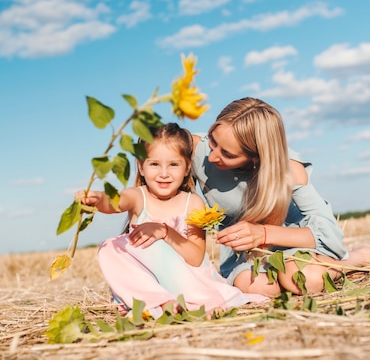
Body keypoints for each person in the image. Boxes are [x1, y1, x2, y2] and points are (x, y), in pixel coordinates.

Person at [191, 97, 370, 297]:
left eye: (228, 154)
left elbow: (329, 233)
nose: (212, 157)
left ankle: (361, 257)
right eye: (213, 140)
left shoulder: (289, 169)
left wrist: (262, 233)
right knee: (260, 288)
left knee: (302, 281)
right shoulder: (192, 149)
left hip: (292, 241)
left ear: (256, 158)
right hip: (245, 255)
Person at [76, 123, 267, 318]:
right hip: (150, 283)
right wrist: (98, 199)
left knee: (154, 246)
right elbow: (115, 202)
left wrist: (165, 232)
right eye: (154, 164)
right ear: (141, 167)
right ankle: (161, 301)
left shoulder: (192, 203)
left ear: (186, 169)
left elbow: (195, 258)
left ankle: (183, 303)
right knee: (110, 247)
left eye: (174, 164)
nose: (164, 173)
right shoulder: (138, 197)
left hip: (185, 280)